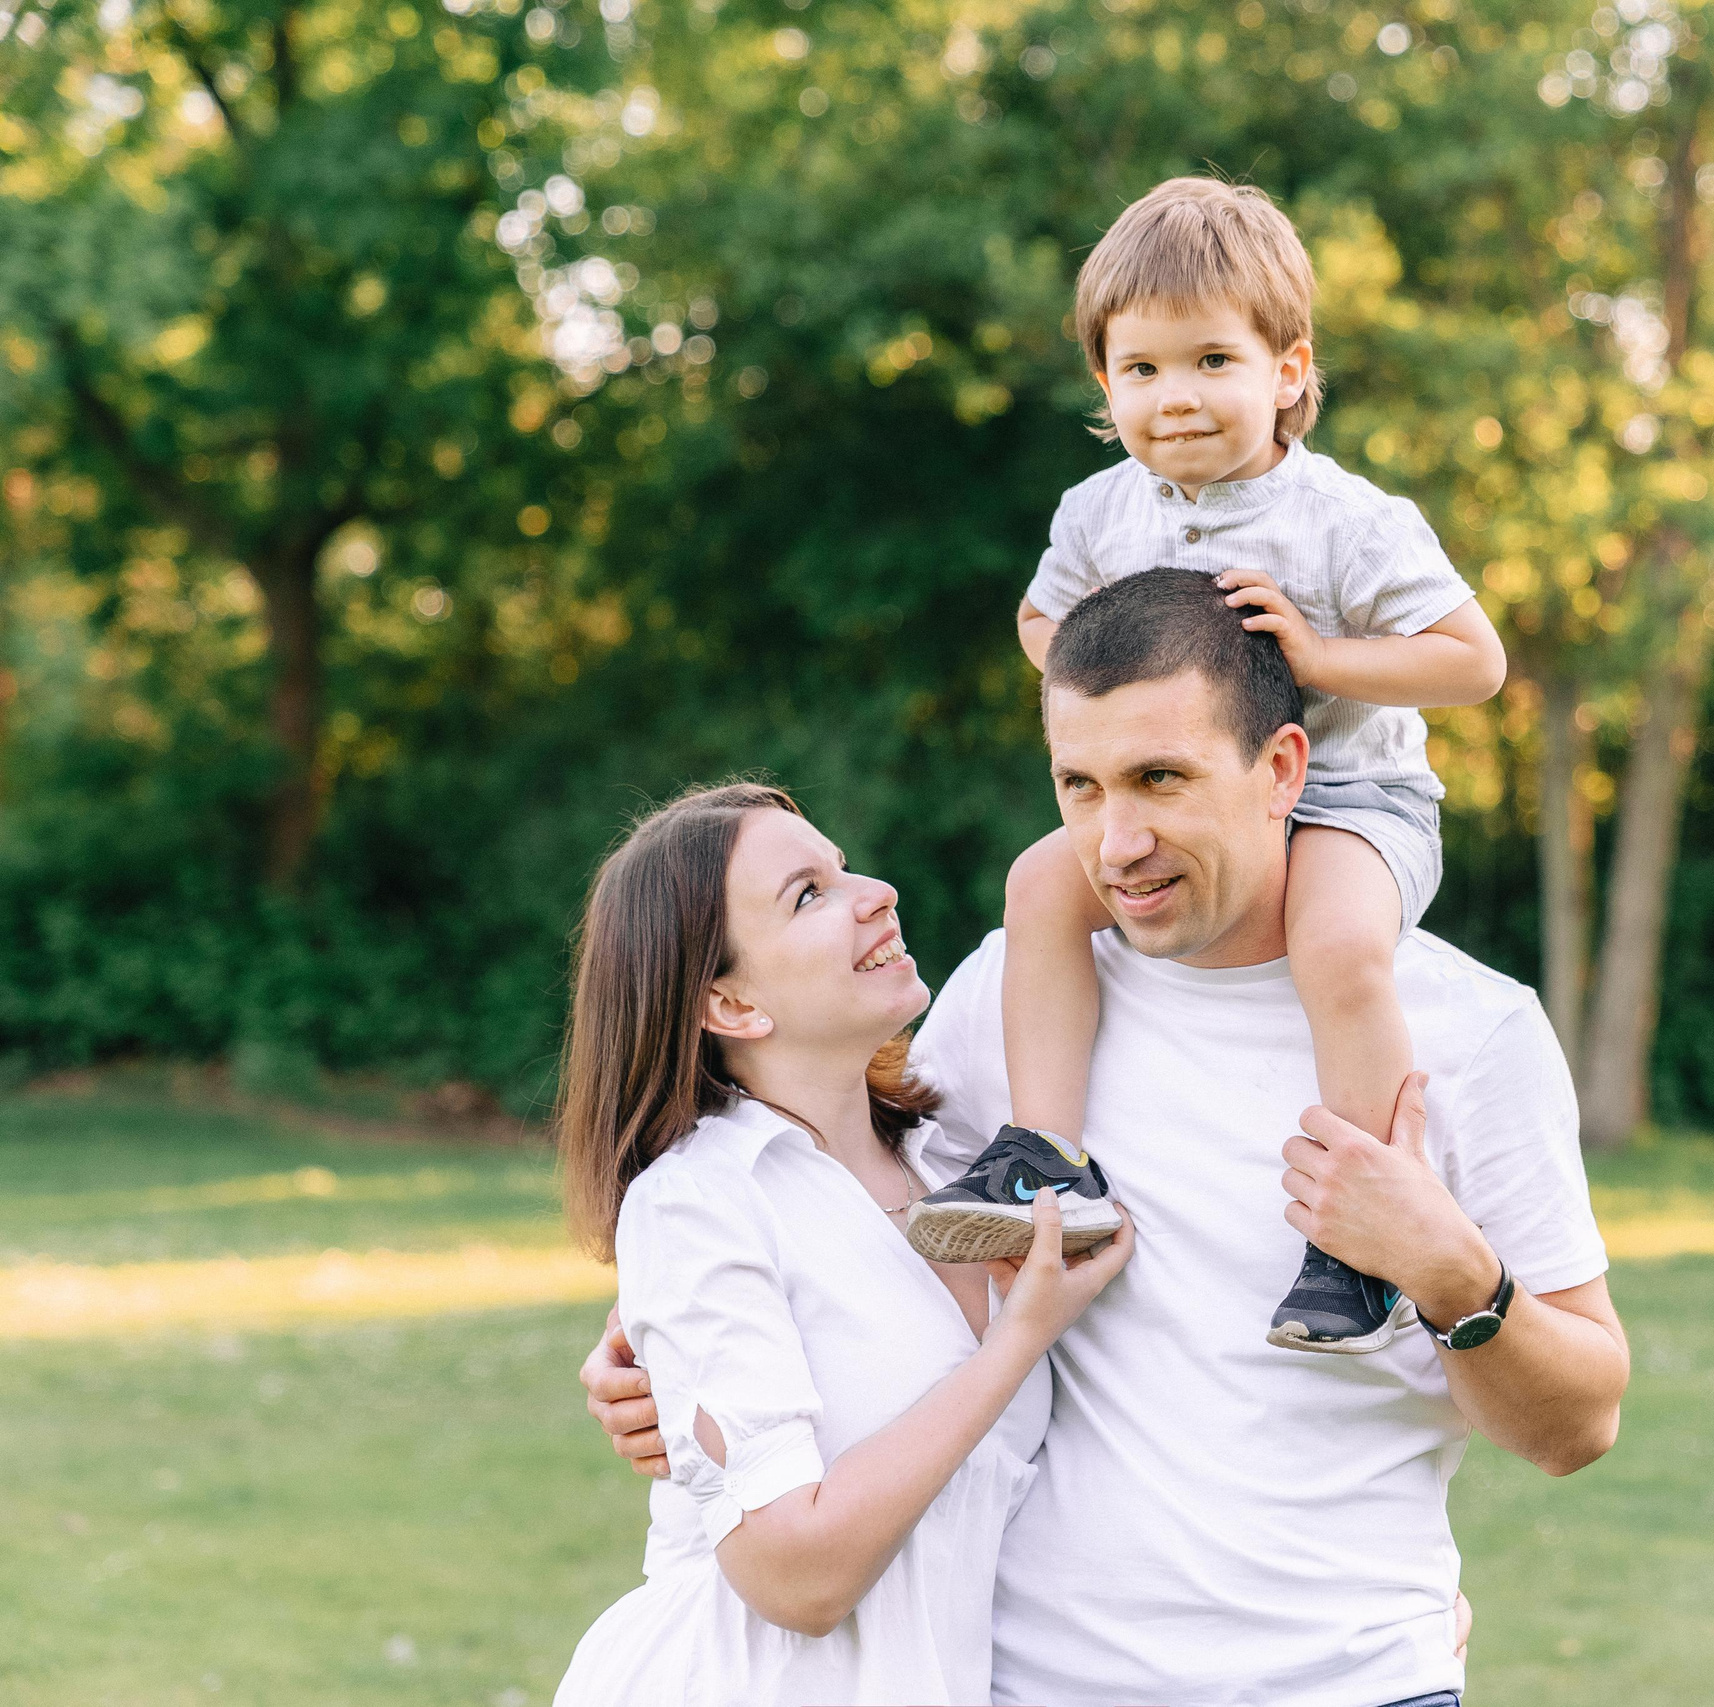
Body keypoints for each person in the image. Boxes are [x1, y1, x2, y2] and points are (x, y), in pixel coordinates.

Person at [585, 572, 1629, 1707]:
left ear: (1280, 769)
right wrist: (647, 1367)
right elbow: (810, 1205)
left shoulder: (1469, 1035)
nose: (1115, 841)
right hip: (1028, 1686)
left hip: (1349, 1684)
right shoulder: (1012, 1004)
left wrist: (1448, 1270)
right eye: (1077, 788)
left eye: (1159, 780)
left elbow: (1579, 1422)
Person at [900, 178, 1509, 1357]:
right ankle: (1048, 1162)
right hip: (1185, 806)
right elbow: (1041, 626)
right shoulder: (1098, 514)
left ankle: (1364, 1230)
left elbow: (1471, 662)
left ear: (1287, 369)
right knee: (1039, 888)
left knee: (1336, 945)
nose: (1174, 399)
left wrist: (1322, 655)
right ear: (1105, 385)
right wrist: (1097, 684)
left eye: (1211, 361)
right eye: (1141, 370)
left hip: (1346, 795)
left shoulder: (1345, 520)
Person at [549, 781, 1133, 1705]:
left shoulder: (960, 1168)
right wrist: (1020, 1337)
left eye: (842, 864)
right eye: (808, 894)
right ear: (730, 1003)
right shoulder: (700, 1198)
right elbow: (795, 1577)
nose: (877, 892)